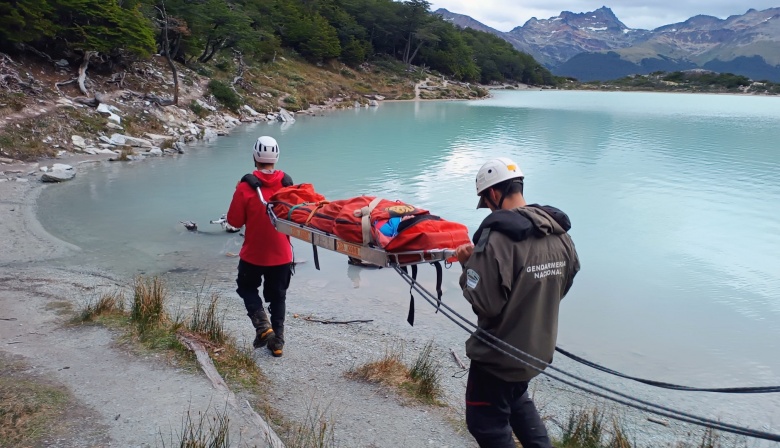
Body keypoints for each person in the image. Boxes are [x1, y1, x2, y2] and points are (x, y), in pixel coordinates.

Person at [455, 157, 580, 448]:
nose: (487, 207)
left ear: (494, 194)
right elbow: (563, 283)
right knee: (515, 398)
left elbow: (485, 304)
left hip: (497, 357)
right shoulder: (559, 233)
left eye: (486, 202)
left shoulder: (497, 238)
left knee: (486, 424)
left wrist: (469, 265)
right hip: (535, 350)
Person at [227, 136, 294, 357]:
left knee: (246, 288)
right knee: (278, 296)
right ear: (276, 157)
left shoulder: (245, 187)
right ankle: (278, 344)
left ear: (255, 157)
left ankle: (263, 327)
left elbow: (234, 221)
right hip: (282, 254)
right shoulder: (287, 185)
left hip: (254, 254)